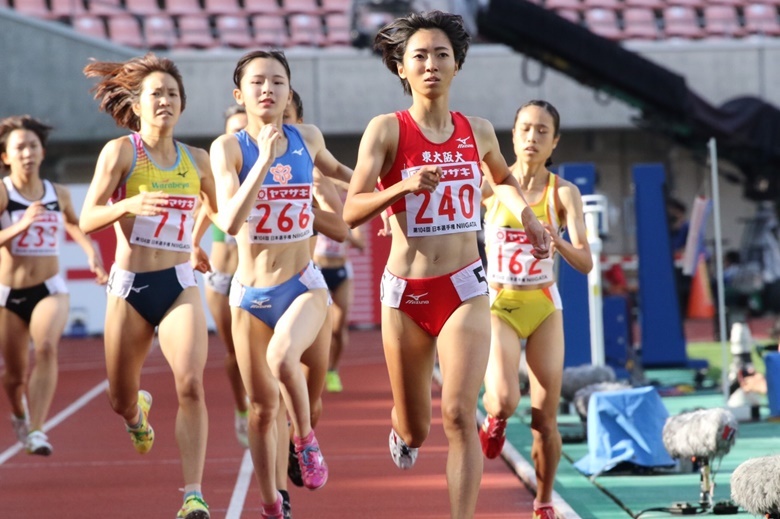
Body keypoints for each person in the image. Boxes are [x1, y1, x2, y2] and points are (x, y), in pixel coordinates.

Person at [342, 11, 549, 518]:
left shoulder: (475, 130)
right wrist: (402, 186)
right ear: (401, 68)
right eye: (420, 56)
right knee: (417, 425)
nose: (431, 64)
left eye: (441, 54)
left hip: (463, 287)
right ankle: (404, 431)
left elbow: (501, 178)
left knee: (459, 413)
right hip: (406, 295)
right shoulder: (386, 130)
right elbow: (350, 210)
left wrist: (527, 216)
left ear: (457, 64)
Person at [209, 50, 352, 519]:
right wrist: (262, 160)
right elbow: (229, 221)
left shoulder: (306, 137)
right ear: (240, 94)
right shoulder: (227, 148)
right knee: (261, 410)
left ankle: (306, 438)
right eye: (256, 82)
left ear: (289, 91)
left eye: (277, 81)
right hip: (250, 295)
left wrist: (395, 190)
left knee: (288, 367)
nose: (267, 89)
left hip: (304, 285)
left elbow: (340, 173)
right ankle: (273, 504)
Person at [80, 53, 216, 519]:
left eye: (173, 94)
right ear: (137, 104)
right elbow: (88, 215)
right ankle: (136, 413)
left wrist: (198, 240)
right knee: (119, 397)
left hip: (179, 284)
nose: (165, 100)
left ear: (182, 105)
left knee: (192, 384)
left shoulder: (196, 159)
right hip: (130, 287)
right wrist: (127, 206)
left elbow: (222, 211)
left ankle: (193, 494)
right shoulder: (121, 152)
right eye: (156, 93)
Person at [478, 100, 592, 519]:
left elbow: (585, 262)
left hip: (543, 305)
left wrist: (555, 239)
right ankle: (495, 420)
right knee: (505, 399)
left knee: (545, 420)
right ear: (512, 135)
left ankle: (543, 503)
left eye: (542, 131)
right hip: (499, 304)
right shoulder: (489, 185)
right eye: (525, 129)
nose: (532, 138)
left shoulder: (563, 193)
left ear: (554, 141)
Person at [0, 115, 107, 456]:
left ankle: (37, 429)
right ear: (6, 157)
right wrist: (22, 225)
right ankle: (20, 412)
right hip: (8, 294)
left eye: (33, 146)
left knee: (46, 347)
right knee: (14, 376)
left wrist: (92, 252)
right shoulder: (3, 193)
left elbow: (74, 224)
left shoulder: (56, 193)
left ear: (43, 152)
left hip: (49, 287)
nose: (27, 153)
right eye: (19, 148)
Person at [202, 105, 250, 449]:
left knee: (264, 352)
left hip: (257, 275)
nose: (239, 136)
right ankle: (242, 409)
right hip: (222, 276)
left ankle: (272, 409)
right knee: (234, 352)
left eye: (244, 129)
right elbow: (203, 208)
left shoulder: (269, 168)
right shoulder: (220, 170)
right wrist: (191, 244)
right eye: (233, 129)